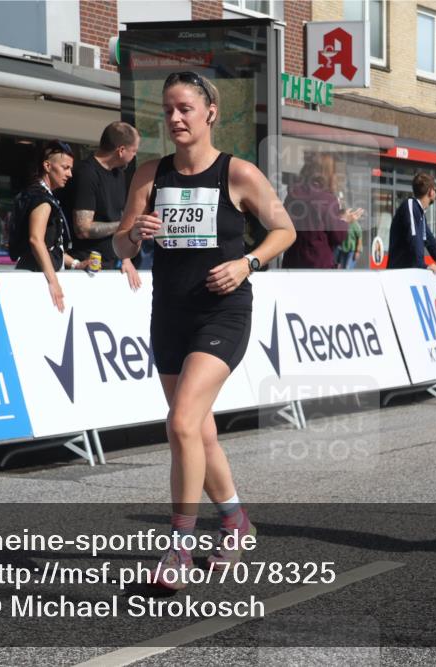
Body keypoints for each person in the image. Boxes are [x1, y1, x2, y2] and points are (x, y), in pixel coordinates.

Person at [115, 71, 296, 588]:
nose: (174, 118)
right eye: (168, 109)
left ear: (209, 112)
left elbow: (285, 230)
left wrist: (249, 264)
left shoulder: (237, 173)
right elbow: (121, 248)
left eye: (185, 109)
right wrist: (135, 234)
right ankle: (237, 522)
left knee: (180, 424)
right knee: (199, 431)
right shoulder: (150, 174)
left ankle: (179, 548)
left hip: (224, 312)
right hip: (170, 313)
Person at [59, 121, 141, 289]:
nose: (135, 156)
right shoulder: (87, 174)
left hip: (109, 266)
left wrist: (126, 259)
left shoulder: (119, 173)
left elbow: (119, 216)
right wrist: (123, 226)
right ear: (121, 150)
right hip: (83, 268)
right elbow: (83, 229)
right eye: (134, 151)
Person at [14, 140, 90, 312]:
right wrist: (53, 281)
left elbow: (51, 246)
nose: (70, 174)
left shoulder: (40, 195)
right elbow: (36, 240)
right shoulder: (41, 199)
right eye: (65, 167)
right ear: (47, 166)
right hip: (37, 280)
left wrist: (76, 263)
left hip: (37, 275)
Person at [282, 153, 361, 269]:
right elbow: (338, 236)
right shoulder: (327, 199)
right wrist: (344, 220)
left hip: (292, 262)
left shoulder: (293, 195)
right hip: (318, 265)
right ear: (328, 174)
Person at [386, 172, 436, 277]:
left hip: (409, 272)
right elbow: (413, 237)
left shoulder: (420, 212)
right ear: (431, 191)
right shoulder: (410, 205)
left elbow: (430, 241)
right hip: (399, 273)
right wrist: (422, 265)